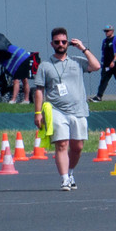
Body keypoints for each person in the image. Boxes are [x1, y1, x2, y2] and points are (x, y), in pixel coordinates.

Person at [32, 28, 99, 191]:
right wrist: (38, 113)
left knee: (78, 147)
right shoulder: (45, 66)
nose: (60, 44)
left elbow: (96, 66)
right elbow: (39, 90)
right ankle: (64, 179)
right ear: (52, 44)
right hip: (57, 110)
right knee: (62, 144)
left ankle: (70, 173)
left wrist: (82, 48)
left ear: (68, 43)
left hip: (78, 110)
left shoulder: (77, 61)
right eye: (57, 42)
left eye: (63, 42)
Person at [94, 25, 116, 101]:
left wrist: (113, 61)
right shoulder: (104, 41)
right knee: (103, 80)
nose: (106, 33)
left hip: (115, 65)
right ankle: (99, 96)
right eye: (105, 31)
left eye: (107, 31)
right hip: (106, 65)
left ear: (112, 31)